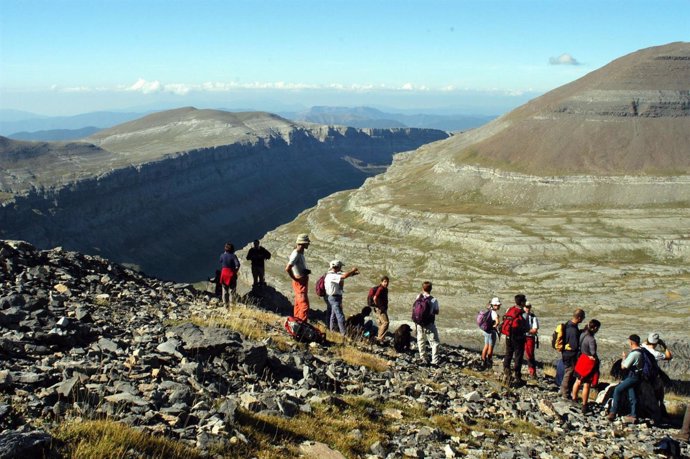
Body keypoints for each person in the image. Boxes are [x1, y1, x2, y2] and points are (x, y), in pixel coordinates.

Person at [607, 334, 645, 423]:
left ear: (631, 342)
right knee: (632, 395)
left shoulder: (634, 354)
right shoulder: (641, 352)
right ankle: (633, 415)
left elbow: (624, 367)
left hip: (632, 376)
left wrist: (624, 358)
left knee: (617, 390)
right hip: (637, 376)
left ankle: (613, 412)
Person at [571, 319, 601, 413]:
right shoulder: (591, 339)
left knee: (578, 381)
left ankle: (574, 398)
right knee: (587, 384)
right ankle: (584, 404)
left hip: (582, 359)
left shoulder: (583, 334)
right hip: (588, 362)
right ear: (595, 328)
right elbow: (593, 352)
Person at [324, 260, 359, 334]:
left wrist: (353, 273)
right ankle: (344, 334)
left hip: (335, 297)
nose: (341, 268)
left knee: (333, 315)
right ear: (337, 266)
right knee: (340, 316)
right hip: (334, 298)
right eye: (340, 266)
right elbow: (344, 276)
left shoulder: (333, 274)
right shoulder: (332, 275)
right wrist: (352, 270)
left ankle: (332, 331)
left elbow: (344, 275)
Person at [502, 294, 529, 386]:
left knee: (508, 353)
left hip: (508, 335)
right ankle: (517, 376)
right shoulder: (523, 314)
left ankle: (506, 371)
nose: (525, 302)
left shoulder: (510, 310)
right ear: (522, 302)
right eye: (524, 301)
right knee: (518, 356)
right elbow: (526, 327)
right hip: (518, 337)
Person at [559, 308, 586, 399]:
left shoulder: (568, 324)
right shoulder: (573, 330)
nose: (583, 319)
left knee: (567, 372)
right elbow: (574, 345)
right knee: (569, 373)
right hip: (570, 355)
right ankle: (565, 393)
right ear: (578, 317)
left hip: (566, 353)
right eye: (583, 317)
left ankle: (563, 390)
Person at [285, 234, 311, 321]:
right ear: (303, 244)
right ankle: (301, 327)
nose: (308, 244)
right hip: (300, 282)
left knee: (298, 304)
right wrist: (296, 278)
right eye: (307, 243)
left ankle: (296, 323)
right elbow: (288, 268)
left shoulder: (299, 253)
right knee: (304, 306)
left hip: (301, 280)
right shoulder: (296, 254)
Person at [414, 281, 441, 366]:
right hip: (429, 324)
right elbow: (437, 312)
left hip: (419, 323)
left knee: (421, 340)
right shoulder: (433, 300)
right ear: (431, 289)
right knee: (435, 342)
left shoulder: (418, 296)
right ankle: (434, 361)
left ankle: (423, 358)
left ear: (422, 288)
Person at [480, 297, 501, 369]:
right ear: (494, 305)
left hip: (486, 331)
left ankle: (483, 360)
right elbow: (497, 322)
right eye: (498, 305)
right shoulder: (494, 313)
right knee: (491, 347)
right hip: (491, 332)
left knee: (486, 345)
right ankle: (489, 361)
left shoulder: (488, 310)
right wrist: (495, 326)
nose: (499, 306)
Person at [523, 301, 540, 378]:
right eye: (526, 307)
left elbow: (535, 330)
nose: (527, 309)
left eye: (529, 307)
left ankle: (532, 372)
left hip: (530, 337)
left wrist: (524, 330)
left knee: (530, 355)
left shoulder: (533, 317)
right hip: (522, 337)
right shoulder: (521, 316)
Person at [371, 276, 390, 344]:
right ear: (381, 282)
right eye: (385, 281)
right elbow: (375, 298)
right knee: (386, 322)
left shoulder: (385, 289)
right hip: (380, 309)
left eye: (387, 282)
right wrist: (378, 306)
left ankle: (380, 338)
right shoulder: (381, 289)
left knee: (380, 323)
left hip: (380, 308)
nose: (386, 283)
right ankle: (379, 338)